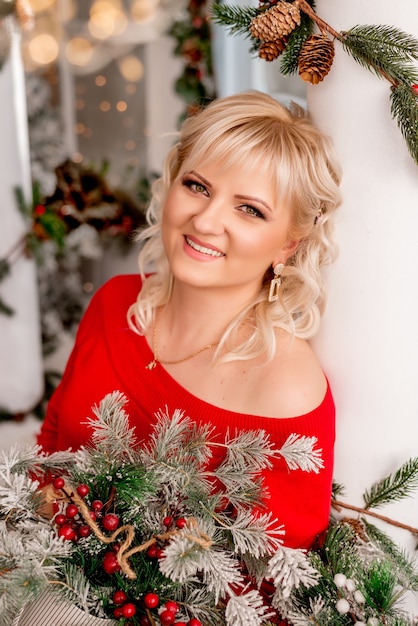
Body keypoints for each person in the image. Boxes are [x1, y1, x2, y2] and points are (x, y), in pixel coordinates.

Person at [37, 91, 342, 555]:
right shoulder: (113, 302)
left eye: (250, 209)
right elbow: (52, 448)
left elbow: (269, 594)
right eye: (198, 186)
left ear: (288, 246)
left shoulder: (286, 391)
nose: (205, 220)